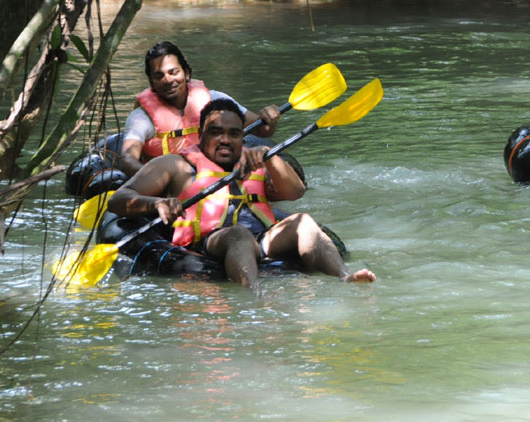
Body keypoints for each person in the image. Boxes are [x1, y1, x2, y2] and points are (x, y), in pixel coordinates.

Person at [108, 98, 376, 288]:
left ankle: (344, 276)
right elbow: (118, 199)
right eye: (216, 132)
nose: (225, 139)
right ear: (201, 135)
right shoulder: (176, 164)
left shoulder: (253, 160)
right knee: (238, 234)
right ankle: (252, 295)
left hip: (263, 240)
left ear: (242, 138)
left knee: (303, 221)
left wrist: (271, 159)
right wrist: (156, 204)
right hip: (208, 243)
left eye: (233, 134)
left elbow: (295, 193)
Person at [119, 41, 282, 176]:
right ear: (151, 83)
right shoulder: (141, 117)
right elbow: (127, 160)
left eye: (173, 72)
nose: (168, 80)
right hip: (173, 185)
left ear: (187, 73)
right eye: (159, 76)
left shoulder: (216, 101)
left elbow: (263, 130)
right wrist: (157, 181)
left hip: (217, 179)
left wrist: (270, 118)